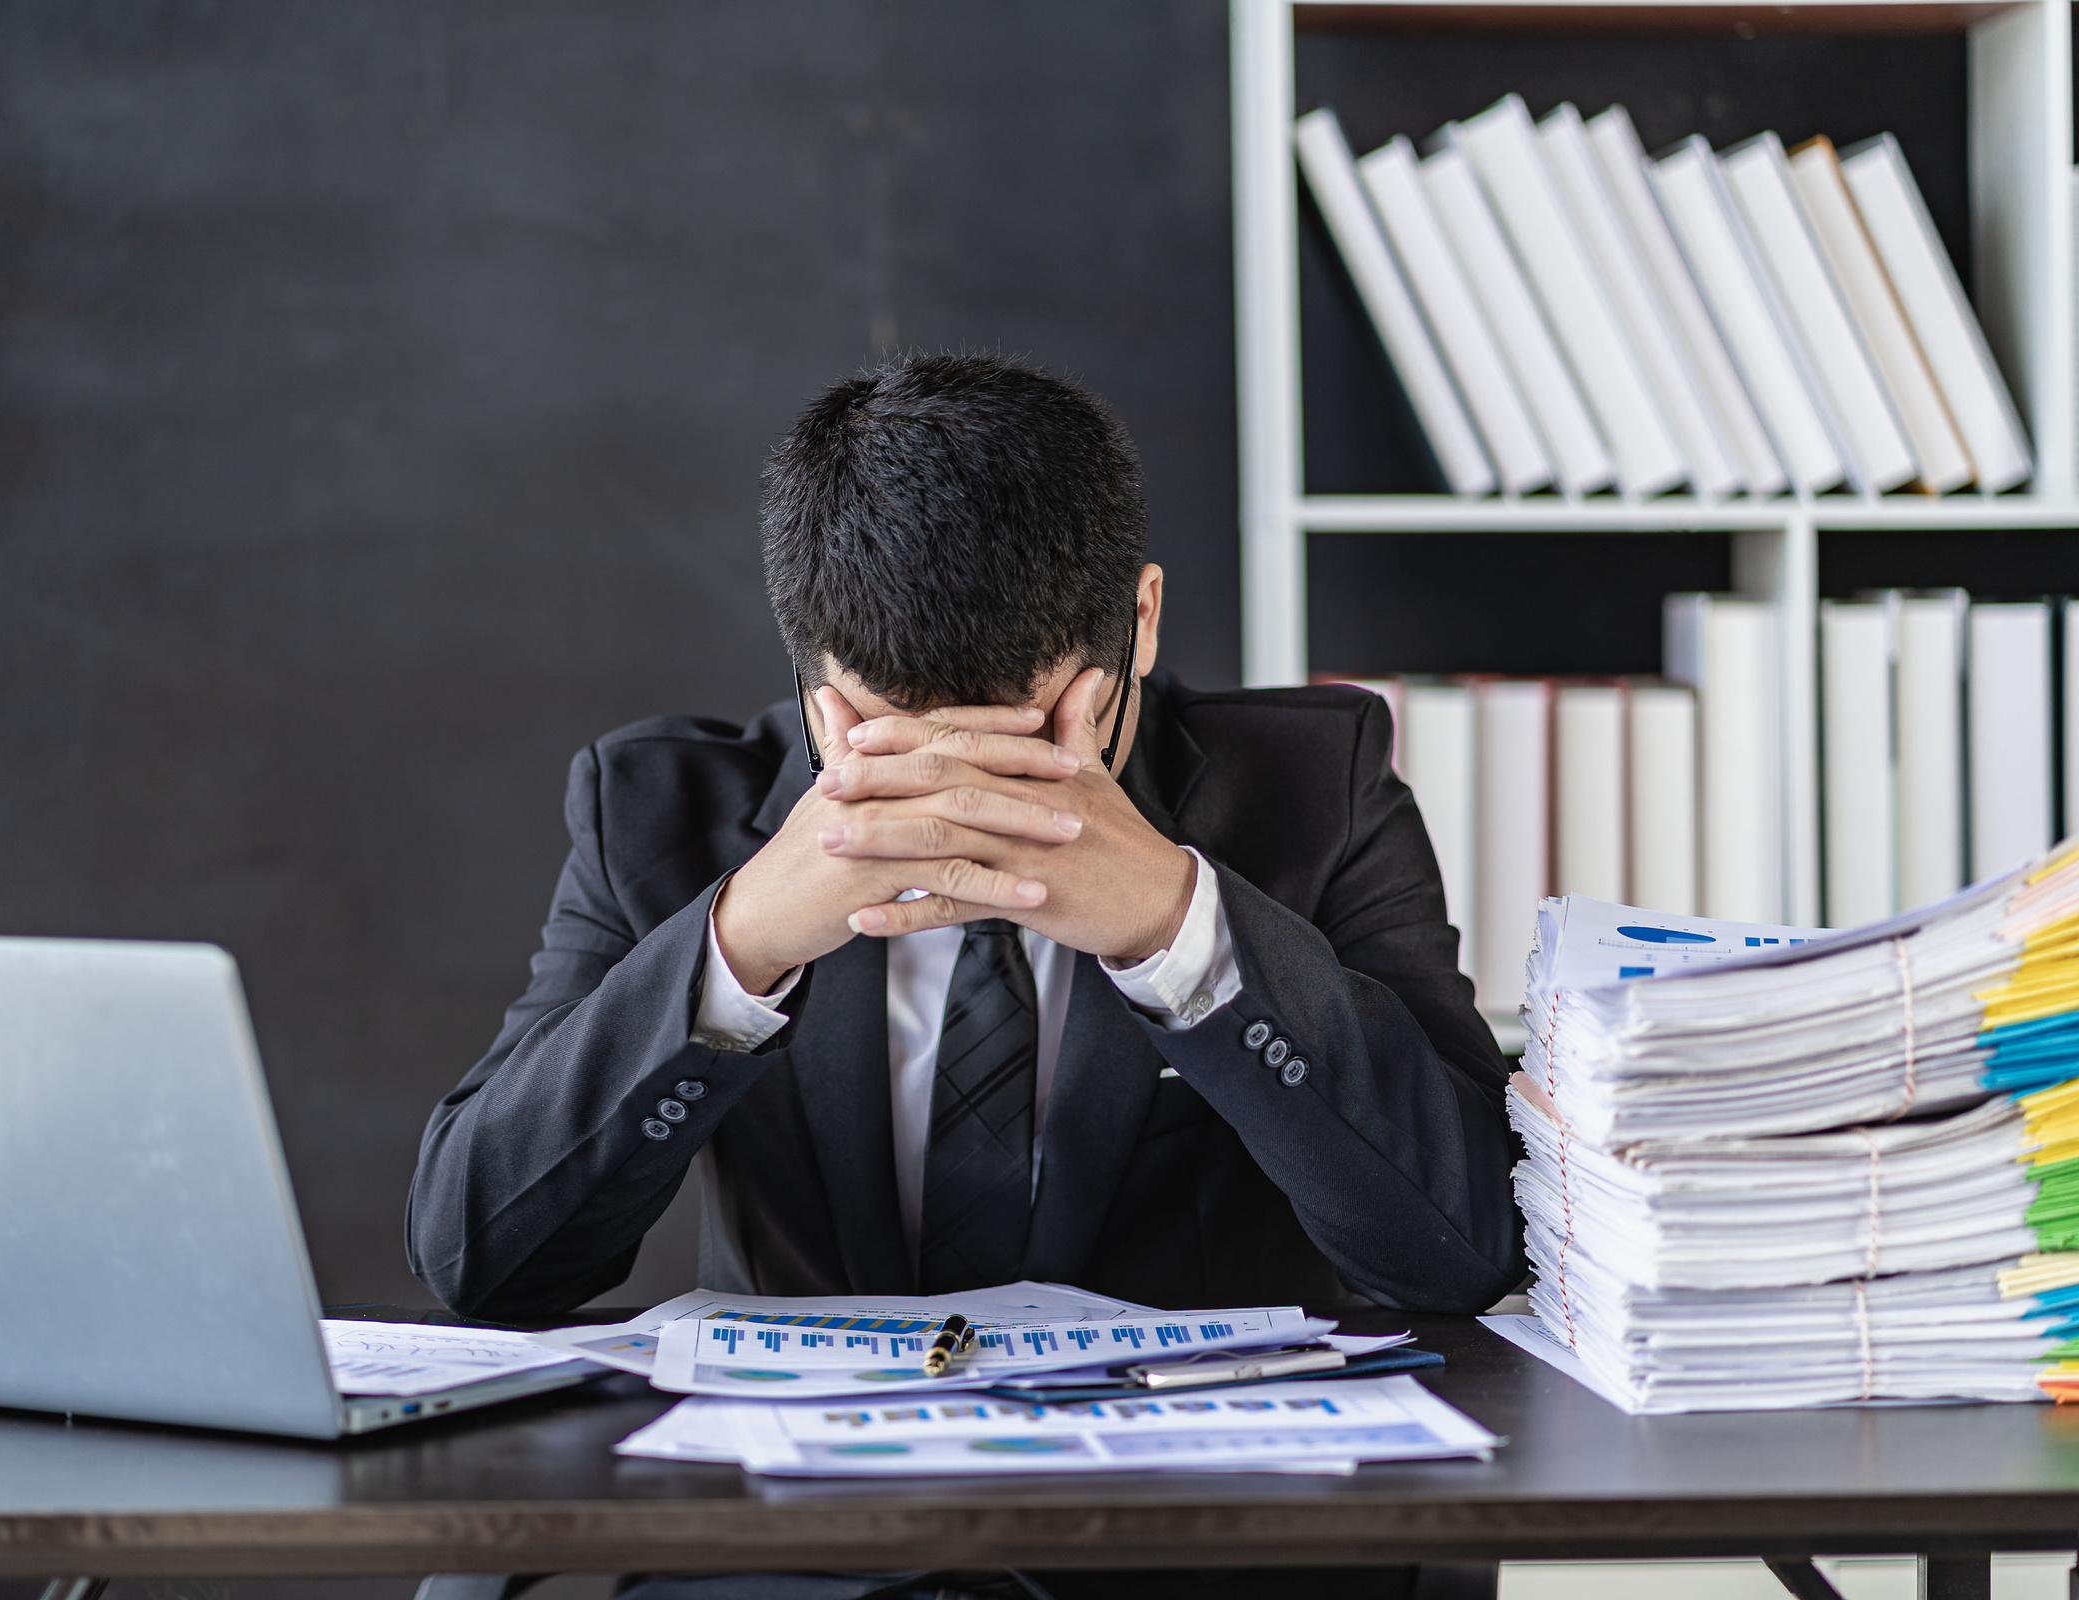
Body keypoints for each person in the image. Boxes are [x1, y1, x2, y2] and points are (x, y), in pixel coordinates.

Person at [405, 352, 1520, 1600]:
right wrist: (739, 946)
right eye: (897, 745)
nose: (969, 804)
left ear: (1141, 623)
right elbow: (486, 1261)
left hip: (1182, 1556)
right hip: (794, 1558)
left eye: (1042, 739)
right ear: (821, 696)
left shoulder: (1318, 792)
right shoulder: (658, 814)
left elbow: (1465, 1245)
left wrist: (1180, 929)